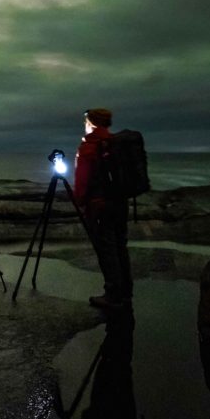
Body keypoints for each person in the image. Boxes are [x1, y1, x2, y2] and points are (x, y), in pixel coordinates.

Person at [73, 107, 133, 311]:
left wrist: (80, 202)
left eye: (86, 122)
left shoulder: (90, 146)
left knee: (107, 250)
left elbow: (82, 180)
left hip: (100, 206)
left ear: (91, 123)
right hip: (121, 204)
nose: (85, 125)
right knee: (120, 247)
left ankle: (113, 295)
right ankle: (125, 292)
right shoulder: (116, 143)